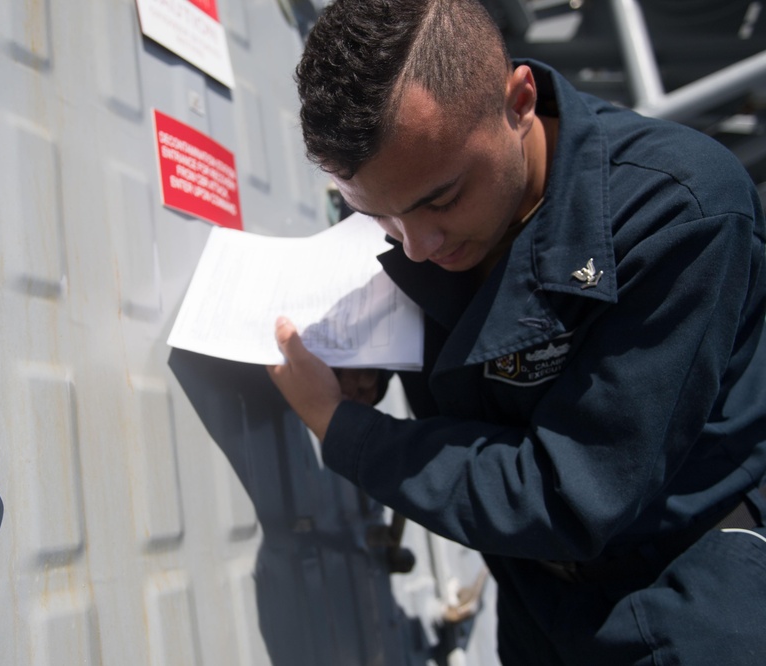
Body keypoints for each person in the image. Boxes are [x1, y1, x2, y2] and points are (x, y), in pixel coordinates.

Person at [266, 0, 766, 663]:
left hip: (681, 605)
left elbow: (569, 495)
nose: (416, 246)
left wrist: (344, 429)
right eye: (378, 217)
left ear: (519, 100)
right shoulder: (430, 199)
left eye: (439, 200)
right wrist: (379, 354)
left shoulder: (681, 216)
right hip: (536, 608)